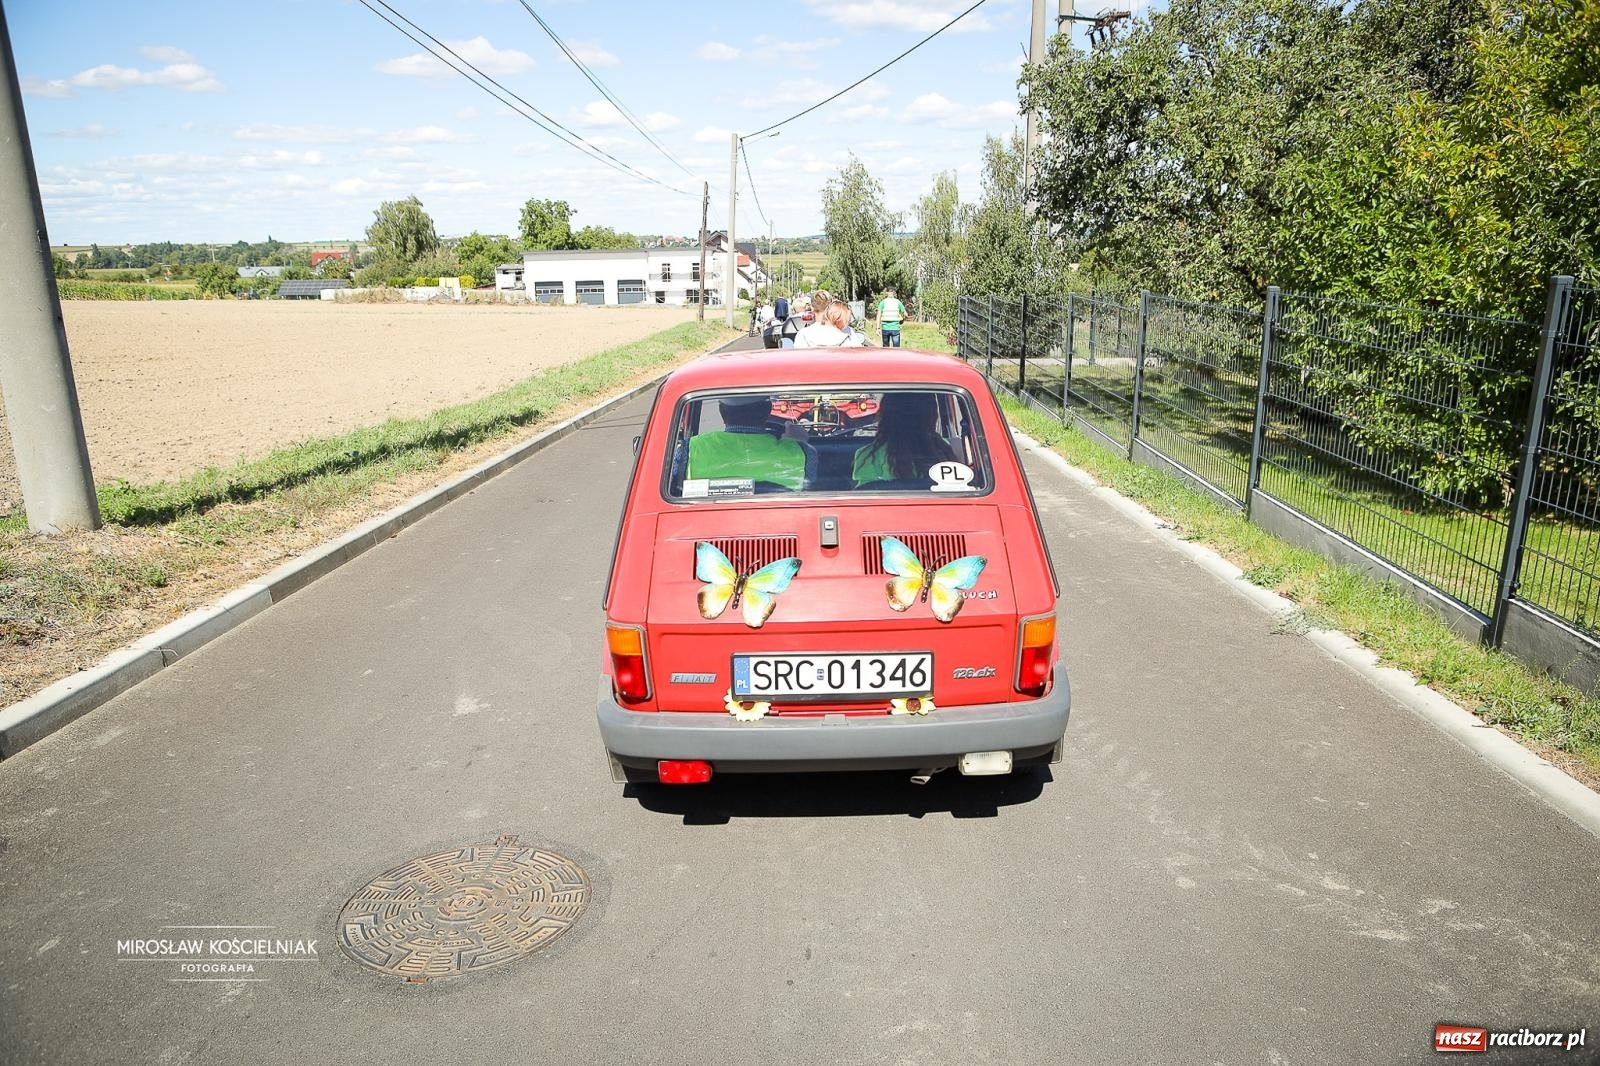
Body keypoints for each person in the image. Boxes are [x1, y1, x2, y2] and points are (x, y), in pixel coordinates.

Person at [687, 395, 807, 490]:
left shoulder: (690, 448)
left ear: (722, 411)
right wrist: (798, 442)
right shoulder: (800, 452)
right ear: (768, 410)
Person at [852, 391, 958, 487]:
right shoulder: (942, 449)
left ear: (885, 416)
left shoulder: (867, 455)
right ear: (931, 416)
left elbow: (864, 495)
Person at [793, 300, 866, 348]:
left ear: (826, 314)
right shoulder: (849, 334)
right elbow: (858, 356)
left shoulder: (804, 334)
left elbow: (796, 359)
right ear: (846, 320)